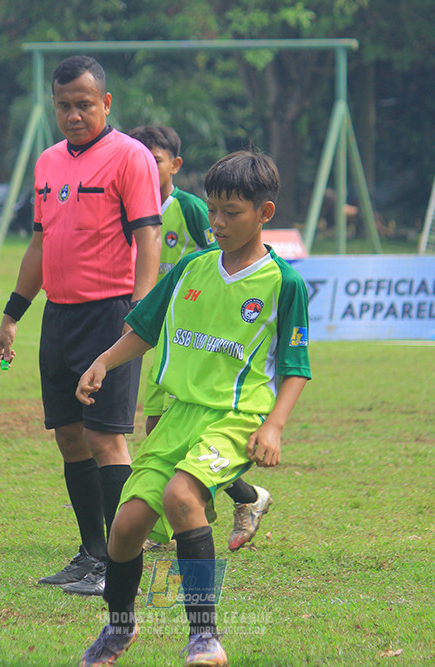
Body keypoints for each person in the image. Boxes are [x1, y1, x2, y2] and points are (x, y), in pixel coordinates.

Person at [77, 151, 311, 667]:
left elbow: (296, 365)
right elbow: (143, 329)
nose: (218, 221)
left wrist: (274, 425)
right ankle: (119, 629)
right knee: (125, 527)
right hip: (179, 416)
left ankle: (203, 637)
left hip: (235, 417)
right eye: (212, 209)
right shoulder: (191, 268)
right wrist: (103, 362)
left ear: (264, 213)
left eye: (232, 211)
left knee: (184, 497)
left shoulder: (283, 284)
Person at [0, 55, 161, 597]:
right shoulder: (46, 163)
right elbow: (40, 244)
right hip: (58, 316)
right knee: (69, 436)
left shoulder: (130, 157)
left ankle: (122, 560)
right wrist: (12, 315)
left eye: (83, 104)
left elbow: (149, 236)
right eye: (63, 105)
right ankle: (91, 554)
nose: (73, 115)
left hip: (110, 313)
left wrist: (141, 310)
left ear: (105, 103)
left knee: (107, 438)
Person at [127, 124, 274, 552]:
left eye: (153, 159)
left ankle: (182, 513)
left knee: (173, 433)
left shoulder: (191, 208)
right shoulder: (129, 205)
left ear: (174, 164)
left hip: (204, 336)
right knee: (160, 432)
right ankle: (234, 500)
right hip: (169, 333)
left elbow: (220, 259)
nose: (218, 220)